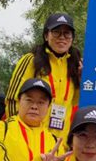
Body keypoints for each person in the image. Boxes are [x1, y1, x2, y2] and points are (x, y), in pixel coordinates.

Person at [5, 13, 81, 143]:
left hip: (59, 142)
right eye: (56, 32)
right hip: (30, 137)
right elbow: (12, 100)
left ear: (72, 38)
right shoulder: (31, 60)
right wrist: (18, 133)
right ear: (46, 35)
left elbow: (74, 103)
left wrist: (80, 80)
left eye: (67, 33)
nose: (62, 37)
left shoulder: (75, 64)